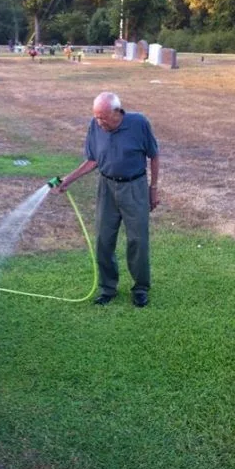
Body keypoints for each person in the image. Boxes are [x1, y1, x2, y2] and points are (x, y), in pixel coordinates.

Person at [56, 91, 160, 307]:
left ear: (117, 112)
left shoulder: (139, 123)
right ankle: (107, 288)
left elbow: (154, 155)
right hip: (107, 188)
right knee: (104, 240)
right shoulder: (95, 126)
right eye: (96, 117)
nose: (99, 122)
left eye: (103, 117)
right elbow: (92, 160)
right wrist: (68, 179)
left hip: (135, 187)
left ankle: (140, 288)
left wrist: (153, 188)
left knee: (138, 240)